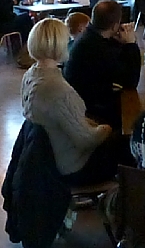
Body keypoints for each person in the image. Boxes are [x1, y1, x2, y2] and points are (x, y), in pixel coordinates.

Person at [22, 18, 124, 187]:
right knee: (126, 140)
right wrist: (105, 129)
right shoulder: (59, 90)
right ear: (59, 45)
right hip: (73, 167)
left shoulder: (30, 75)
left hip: (48, 159)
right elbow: (86, 140)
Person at [63, 0, 141, 129]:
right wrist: (131, 44)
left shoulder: (89, 37)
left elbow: (117, 63)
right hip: (91, 111)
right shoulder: (96, 48)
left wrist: (121, 43)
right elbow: (131, 81)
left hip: (80, 102)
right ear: (114, 26)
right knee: (135, 113)